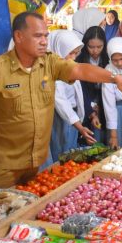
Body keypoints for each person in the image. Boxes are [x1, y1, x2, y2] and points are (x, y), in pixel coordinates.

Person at [0, 12, 122, 188]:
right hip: (3, 165)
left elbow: (80, 70)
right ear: (18, 36)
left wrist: (116, 78)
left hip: (37, 162)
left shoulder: (50, 63)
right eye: (38, 36)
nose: (44, 41)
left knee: (31, 207)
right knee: (0, 210)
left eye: (45, 36)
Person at [49, 31, 92, 166]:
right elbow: (61, 102)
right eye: (71, 53)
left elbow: (77, 92)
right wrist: (79, 126)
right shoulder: (53, 71)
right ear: (59, 49)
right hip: (60, 117)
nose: (73, 57)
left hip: (72, 118)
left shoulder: (68, 66)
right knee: (61, 153)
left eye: (76, 53)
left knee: (70, 152)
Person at [76, 26, 108, 143]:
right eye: (91, 47)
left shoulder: (108, 60)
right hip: (85, 105)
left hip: (104, 103)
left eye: (99, 47)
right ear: (85, 45)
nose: (95, 51)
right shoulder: (79, 61)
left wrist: (100, 106)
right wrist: (91, 112)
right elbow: (80, 90)